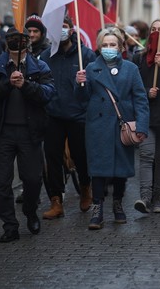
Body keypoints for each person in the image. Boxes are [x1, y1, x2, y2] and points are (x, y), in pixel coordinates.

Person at [0, 29, 55, 243]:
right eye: (12, 39)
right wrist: (7, 83)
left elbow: (48, 93)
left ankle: (30, 211)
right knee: (2, 182)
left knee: (33, 178)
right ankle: (9, 225)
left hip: (29, 133)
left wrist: (26, 85)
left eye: (20, 39)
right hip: (3, 132)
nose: (16, 43)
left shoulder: (39, 66)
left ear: (27, 43)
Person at [75, 27, 149, 229]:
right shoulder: (90, 68)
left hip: (122, 125)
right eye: (105, 45)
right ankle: (97, 207)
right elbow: (82, 100)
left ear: (120, 46)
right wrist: (79, 83)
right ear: (99, 47)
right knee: (98, 168)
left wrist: (141, 125)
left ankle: (117, 203)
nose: (109, 48)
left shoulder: (130, 69)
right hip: (98, 126)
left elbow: (141, 99)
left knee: (120, 168)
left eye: (112, 45)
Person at [40, 16, 96, 220]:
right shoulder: (46, 56)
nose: (61, 30)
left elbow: (95, 84)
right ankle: (56, 200)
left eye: (64, 27)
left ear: (72, 30)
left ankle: (85, 186)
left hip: (78, 115)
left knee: (81, 156)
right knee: (53, 158)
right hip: (53, 115)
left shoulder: (86, 55)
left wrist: (84, 82)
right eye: (57, 27)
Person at [131, 19, 160, 214]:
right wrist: (148, 91)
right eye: (153, 29)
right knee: (147, 156)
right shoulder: (139, 58)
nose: (157, 33)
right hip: (146, 114)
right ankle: (145, 197)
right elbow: (133, 86)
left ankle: (158, 199)